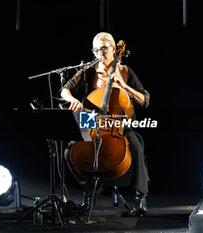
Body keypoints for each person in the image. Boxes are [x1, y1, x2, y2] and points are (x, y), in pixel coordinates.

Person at [60, 32, 150, 216]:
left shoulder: (125, 71)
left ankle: (141, 198)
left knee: (136, 146)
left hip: (119, 127)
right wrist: (72, 100)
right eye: (96, 50)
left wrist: (124, 87)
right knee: (69, 152)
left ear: (113, 49)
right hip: (92, 124)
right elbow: (64, 89)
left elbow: (144, 100)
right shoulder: (88, 71)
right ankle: (87, 194)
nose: (99, 53)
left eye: (103, 49)